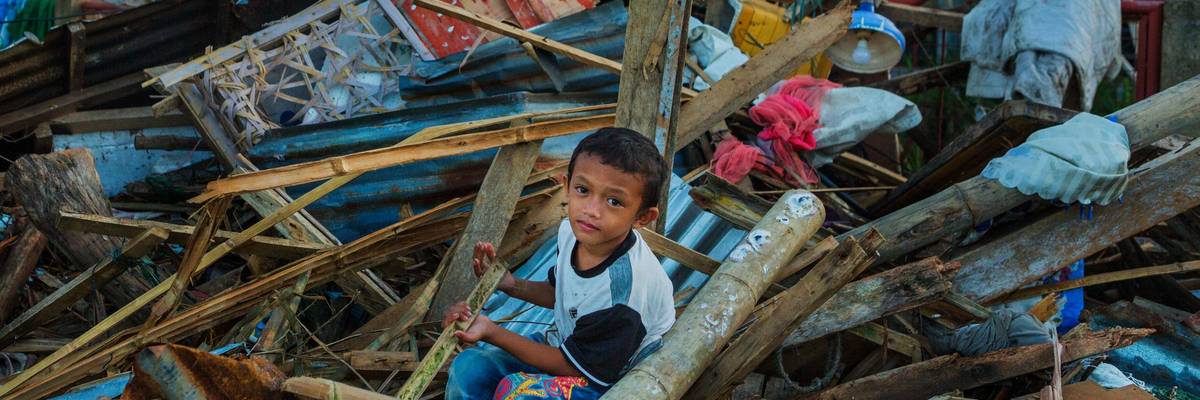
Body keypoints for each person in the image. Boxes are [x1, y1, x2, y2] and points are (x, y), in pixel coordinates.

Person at [442, 127, 676, 400]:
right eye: (583, 190)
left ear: (642, 217)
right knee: (468, 368)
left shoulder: (623, 294)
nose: (591, 209)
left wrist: (492, 332)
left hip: (607, 378)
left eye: (614, 201)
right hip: (571, 347)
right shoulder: (571, 232)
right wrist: (511, 284)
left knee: (517, 394)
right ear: (566, 186)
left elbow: (577, 368)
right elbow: (563, 294)